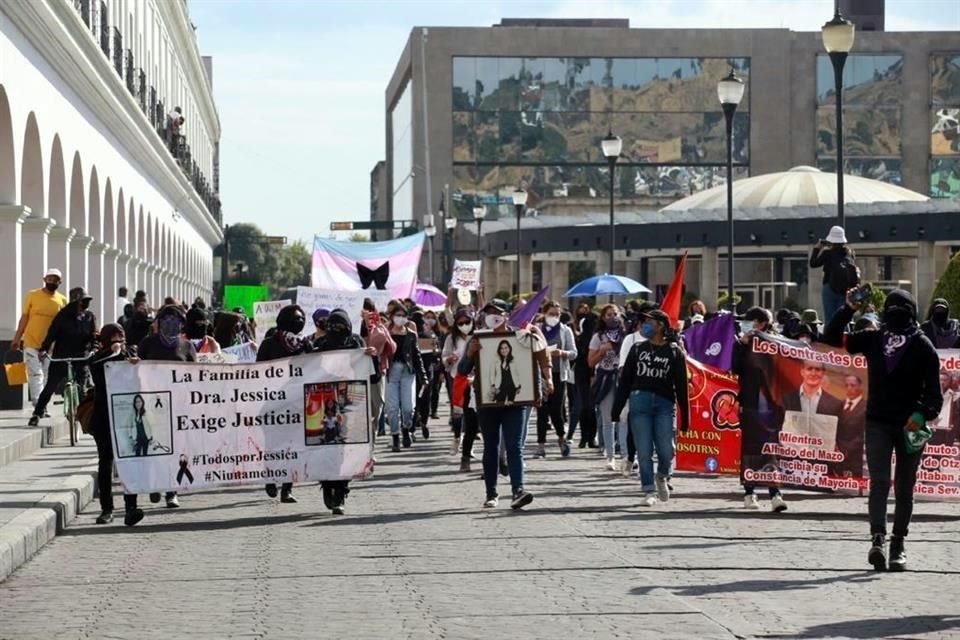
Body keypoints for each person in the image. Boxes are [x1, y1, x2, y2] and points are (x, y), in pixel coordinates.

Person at [823, 289, 943, 572]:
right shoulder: (873, 338)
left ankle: (898, 543)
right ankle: (878, 539)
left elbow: (934, 397)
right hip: (878, 422)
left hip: (910, 426)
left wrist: (921, 414)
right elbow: (831, 339)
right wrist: (848, 308)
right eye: (893, 310)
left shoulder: (923, 346)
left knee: (904, 486)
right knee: (880, 482)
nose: (897, 316)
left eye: (902, 310)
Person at [459, 302, 552, 509]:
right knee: (491, 447)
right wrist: (470, 354)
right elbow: (462, 370)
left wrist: (539, 388)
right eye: (489, 313)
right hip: (488, 404)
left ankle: (518, 490)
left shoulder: (521, 337)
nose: (493, 316)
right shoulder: (477, 338)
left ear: (506, 315)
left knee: (514, 447)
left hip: (515, 403)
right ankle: (491, 493)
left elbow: (535, 362)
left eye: (497, 313)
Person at [612, 309, 689, 506]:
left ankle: (662, 475)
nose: (644, 325)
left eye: (649, 322)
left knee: (666, 449)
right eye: (644, 321)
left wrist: (685, 417)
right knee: (644, 450)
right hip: (640, 402)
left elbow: (682, 386)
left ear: (661, 326)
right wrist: (617, 408)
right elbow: (625, 381)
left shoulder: (674, 351)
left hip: (664, 403)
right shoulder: (637, 349)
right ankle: (648, 489)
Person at [312, 309, 377, 515]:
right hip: (325, 402)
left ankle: (340, 491)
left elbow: (372, 376)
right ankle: (327, 484)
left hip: (351, 400)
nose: (336, 330)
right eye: (332, 326)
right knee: (326, 446)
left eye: (340, 327)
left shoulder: (356, 343)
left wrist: (370, 357)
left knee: (347, 448)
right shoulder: (320, 345)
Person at [135, 304, 197, 510]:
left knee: (176, 451)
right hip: (152, 405)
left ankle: (171, 491)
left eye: (175, 320)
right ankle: (155, 484)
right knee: (155, 446)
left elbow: (196, 376)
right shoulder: (148, 343)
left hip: (178, 406)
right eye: (166, 319)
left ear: (181, 324)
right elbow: (136, 368)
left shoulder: (187, 347)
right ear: (159, 323)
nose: (171, 324)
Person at [734, 306, 789, 512]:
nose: (747, 325)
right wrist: (742, 345)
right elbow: (734, 368)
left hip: (772, 405)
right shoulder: (743, 343)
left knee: (771, 448)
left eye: (751, 322)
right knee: (750, 448)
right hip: (750, 403)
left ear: (763, 323)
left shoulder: (777, 342)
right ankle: (749, 492)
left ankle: (775, 493)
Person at [87, 323, 140, 525]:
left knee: (129, 462)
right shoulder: (96, 358)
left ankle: (131, 508)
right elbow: (98, 373)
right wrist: (112, 353)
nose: (119, 341)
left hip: (126, 418)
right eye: (115, 337)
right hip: (103, 417)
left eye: (121, 337)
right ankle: (107, 509)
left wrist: (127, 357)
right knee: (105, 462)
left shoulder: (130, 353)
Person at [258, 305, 311, 503]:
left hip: (297, 404)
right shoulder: (269, 344)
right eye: (296, 318)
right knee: (273, 445)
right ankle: (270, 479)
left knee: (294, 447)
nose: (300, 321)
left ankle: (287, 488)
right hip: (273, 403)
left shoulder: (306, 345)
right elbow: (256, 372)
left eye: (302, 318)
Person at [28, 287, 98, 426]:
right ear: (74, 302)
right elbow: (51, 334)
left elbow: (94, 336)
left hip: (81, 357)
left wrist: (94, 347)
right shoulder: (62, 316)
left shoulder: (90, 317)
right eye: (82, 301)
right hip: (61, 356)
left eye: (86, 301)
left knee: (83, 389)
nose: (85, 304)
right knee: (50, 386)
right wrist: (44, 349)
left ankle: (88, 418)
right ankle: (37, 413)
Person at [11, 268, 68, 407]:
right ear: (44, 280)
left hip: (51, 345)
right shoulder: (33, 295)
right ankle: (38, 403)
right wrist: (17, 338)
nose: (51, 282)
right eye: (49, 279)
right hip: (31, 341)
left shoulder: (62, 300)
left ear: (59, 282)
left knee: (47, 375)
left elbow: (64, 324)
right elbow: (24, 317)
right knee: (36, 374)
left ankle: (44, 404)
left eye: (55, 280)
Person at [535, 300, 576, 458]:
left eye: (557, 314)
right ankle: (540, 445)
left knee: (556, 409)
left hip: (559, 373)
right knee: (542, 409)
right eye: (551, 314)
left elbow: (574, 352)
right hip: (540, 373)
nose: (554, 317)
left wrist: (562, 353)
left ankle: (561, 438)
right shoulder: (537, 329)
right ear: (544, 313)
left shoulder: (565, 330)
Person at [588, 304, 627, 471]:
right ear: (603, 318)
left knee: (624, 418)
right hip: (605, 378)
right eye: (609, 314)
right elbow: (590, 362)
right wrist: (602, 351)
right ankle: (610, 456)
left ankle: (626, 455)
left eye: (615, 314)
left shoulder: (626, 335)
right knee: (607, 419)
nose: (613, 317)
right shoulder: (598, 337)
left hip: (622, 379)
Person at [384, 305, 425, 451]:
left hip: (408, 372)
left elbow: (417, 355)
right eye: (398, 315)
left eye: (403, 315)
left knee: (408, 407)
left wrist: (423, 376)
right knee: (392, 407)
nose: (400, 318)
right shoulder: (386, 333)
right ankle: (395, 436)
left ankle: (406, 429)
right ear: (392, 317)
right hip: (391, 373)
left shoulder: (411, 334)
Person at [443, 308, 478, 470]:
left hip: (477, 380)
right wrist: (449, 359)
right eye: (460, 323)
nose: (464, 325)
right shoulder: (452, 338)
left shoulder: (479, 336)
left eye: (467, 322)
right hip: (458, 378)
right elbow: (444, 357)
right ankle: (457, 437)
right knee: (458, 411)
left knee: (473, 417)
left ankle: (468, 450)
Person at [809, 225, 859, 322]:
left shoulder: (827, 253)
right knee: (843, 319)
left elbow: (813, 264)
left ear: (830, 240)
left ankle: (830, 332)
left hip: (829, 287)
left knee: (830, 320)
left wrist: (817, 248)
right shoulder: (849, 253)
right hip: (845, 290)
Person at [831, 374, 866, 477]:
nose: (849, 388)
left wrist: (846, 450)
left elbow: (863, 434)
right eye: (846, 385)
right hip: (836, 458)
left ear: (860, 387)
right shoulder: (838, 405)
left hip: (855, 459)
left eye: (852, 385)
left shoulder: (866, 407)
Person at [573, 308, 599, 447]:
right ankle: (590, 438)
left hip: (582, 375)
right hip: (590, 375)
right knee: (591, 408)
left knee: (585, 407)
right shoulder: (595, 339)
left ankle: (584, 438)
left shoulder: (580, 339)